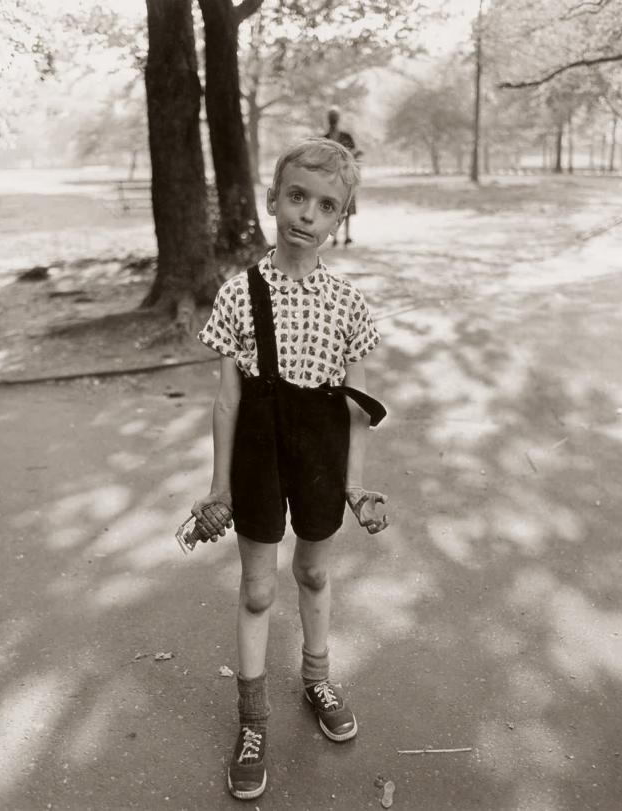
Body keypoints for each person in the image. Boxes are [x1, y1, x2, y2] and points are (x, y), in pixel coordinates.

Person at [179, 137, 389, 801]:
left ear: (340, 220)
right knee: (258, 588)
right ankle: (252, 719)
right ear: (273, 199)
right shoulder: (240, 294)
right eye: (296, 196)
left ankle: (316, 676)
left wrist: (355, 485)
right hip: (259, 454)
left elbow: (357, 407)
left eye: (325, 205)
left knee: (316, 571)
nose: (307, 213)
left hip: (322, 452)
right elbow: (226, 400)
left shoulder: (350, 306)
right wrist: (219, 485)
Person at [323, 108, 362, 246]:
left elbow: (355, 154)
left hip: (345, 177)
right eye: (331, 118)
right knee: (334, 207)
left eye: (334, 118)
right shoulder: (325, 138)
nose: (333, 121)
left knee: (346, 207)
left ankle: (346, 236)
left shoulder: (345, 137)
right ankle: (335, 237)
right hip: (331, 179)